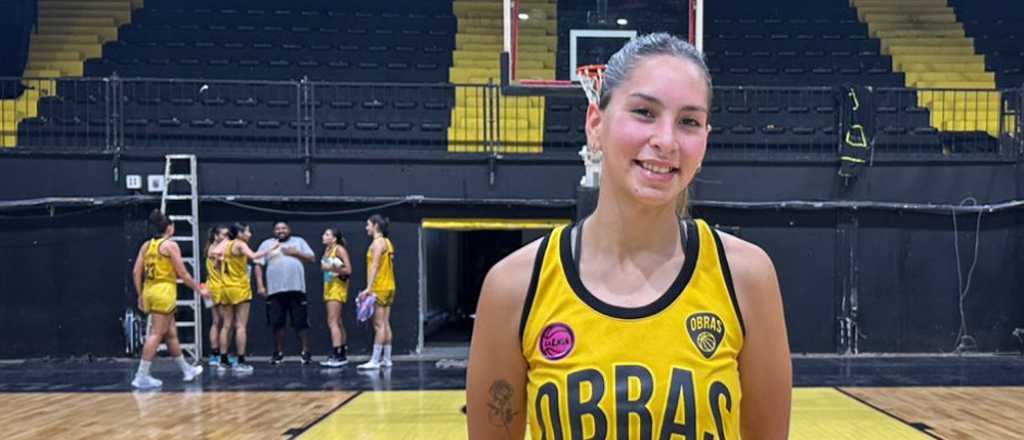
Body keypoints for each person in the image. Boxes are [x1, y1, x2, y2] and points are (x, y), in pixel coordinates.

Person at [466, 33, 792, 439]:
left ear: (705, 140)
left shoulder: (746, 276)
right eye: (643, 112)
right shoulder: (514, 287)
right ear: (595, 124)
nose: (666, 141)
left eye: (689, 121)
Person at [131, 209, 209, 389]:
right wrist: (199, 289)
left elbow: (136, 271)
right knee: (156, 334)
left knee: (171, 333)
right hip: (164, 291)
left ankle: (186, 370)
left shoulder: (146, 245)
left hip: (149, 289)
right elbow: (183, 274)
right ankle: (141, 375)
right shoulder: (170, 245)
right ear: (169, 228)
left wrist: (140, 294)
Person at [212, 222, 278, 373]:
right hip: (239, 288)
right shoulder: (240, 244)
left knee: (226, 325)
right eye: (247, 231)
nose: (250, 234)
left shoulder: (225, 244)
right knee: (241, 326)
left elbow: (216, 265)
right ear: (240, 233)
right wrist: (271, 248)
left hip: (225, 288)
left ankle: (223, 361)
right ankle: (241, 362)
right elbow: (254, 256)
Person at [254, 221, 316, 365]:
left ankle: (305, 352)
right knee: (277, 323)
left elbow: (312, 258)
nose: (281, 231)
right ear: (274, 231)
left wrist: (296, 253)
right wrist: (260, 286)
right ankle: (278, 353)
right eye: (277, 228)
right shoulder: (266, 244)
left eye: (283, 228)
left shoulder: (299, 241)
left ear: (289, 229)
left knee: (300, 323)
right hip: (275, 290)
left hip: (296, 288)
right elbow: (258, 264)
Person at [357, 214, 396, 370]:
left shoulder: (378, 243)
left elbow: (375, 266)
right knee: (385, 323)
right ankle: (387, 359)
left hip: (379, 286)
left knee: (379, 325)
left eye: (368, 225)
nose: (366, 228)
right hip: (389, 286)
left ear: (375, 226)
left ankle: (375, 360)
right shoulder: (387, 242)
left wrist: (368, 288)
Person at [319, 227, 353, 368]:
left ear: (334, 238)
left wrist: (332, 268)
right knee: (337, 321)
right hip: (329, 287)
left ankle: (337, 354)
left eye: (327, 234)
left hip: (337, 288)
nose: (323, 236)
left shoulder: (339, 249)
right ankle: (342, 352)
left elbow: (348, 270)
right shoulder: (327, 250)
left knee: (332, 321)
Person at [204, 225, 228, 367]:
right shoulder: (216, 250)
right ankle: (219, 356)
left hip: (209, 287)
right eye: (224, 234)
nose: (226, 237)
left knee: (216, 321)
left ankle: (216, 355)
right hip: (216, 288)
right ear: (216, 236)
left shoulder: (210, 248)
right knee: (224, 323)